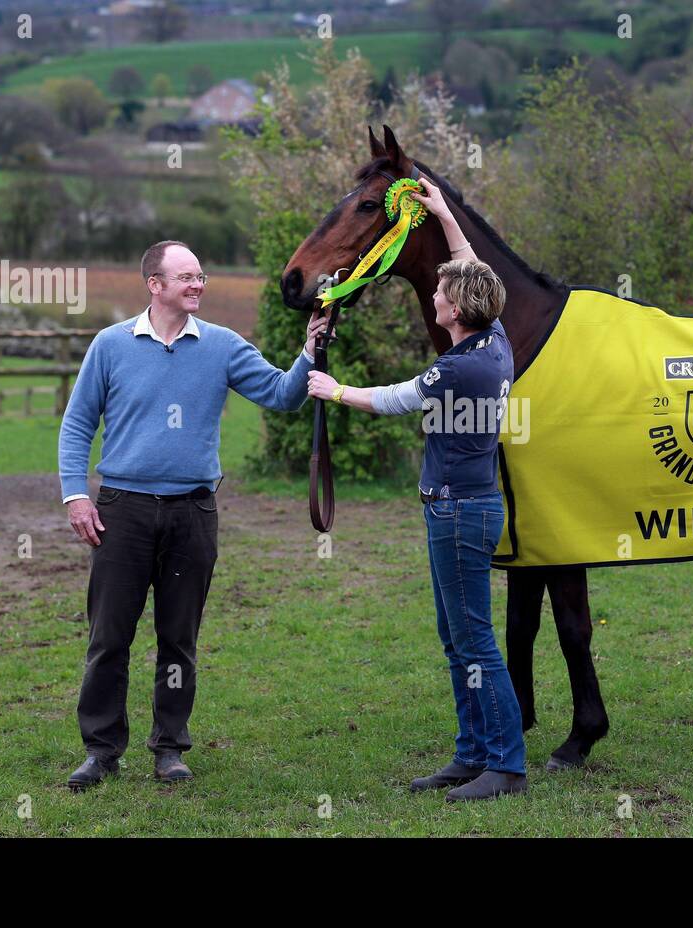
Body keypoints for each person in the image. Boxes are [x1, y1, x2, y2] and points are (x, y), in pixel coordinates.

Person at [58, 240, 329, 790]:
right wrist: (75, 494)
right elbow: (77, 423)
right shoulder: (110, 345)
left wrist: (309, 351)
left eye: (201, 276)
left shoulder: (223, 346)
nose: (198, 285)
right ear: (154, 285)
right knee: (109, 636)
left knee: (178, 637)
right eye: (186, 277)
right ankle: (101, 750)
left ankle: (169, 748)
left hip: (193, 513)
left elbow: (282, 396)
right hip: (122, 512)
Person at [306, 178, 526, 801]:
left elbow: (396, 400)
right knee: (459, 638)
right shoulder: (495, 340)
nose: (434, 294)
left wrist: (333, 390)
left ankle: (505, 763)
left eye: (440, 292)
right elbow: (468, 267)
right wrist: (442, 213)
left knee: (474, 639)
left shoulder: (457, 367)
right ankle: (471, 754)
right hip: (465, 509)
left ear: (456, 309)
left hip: (458, 514)